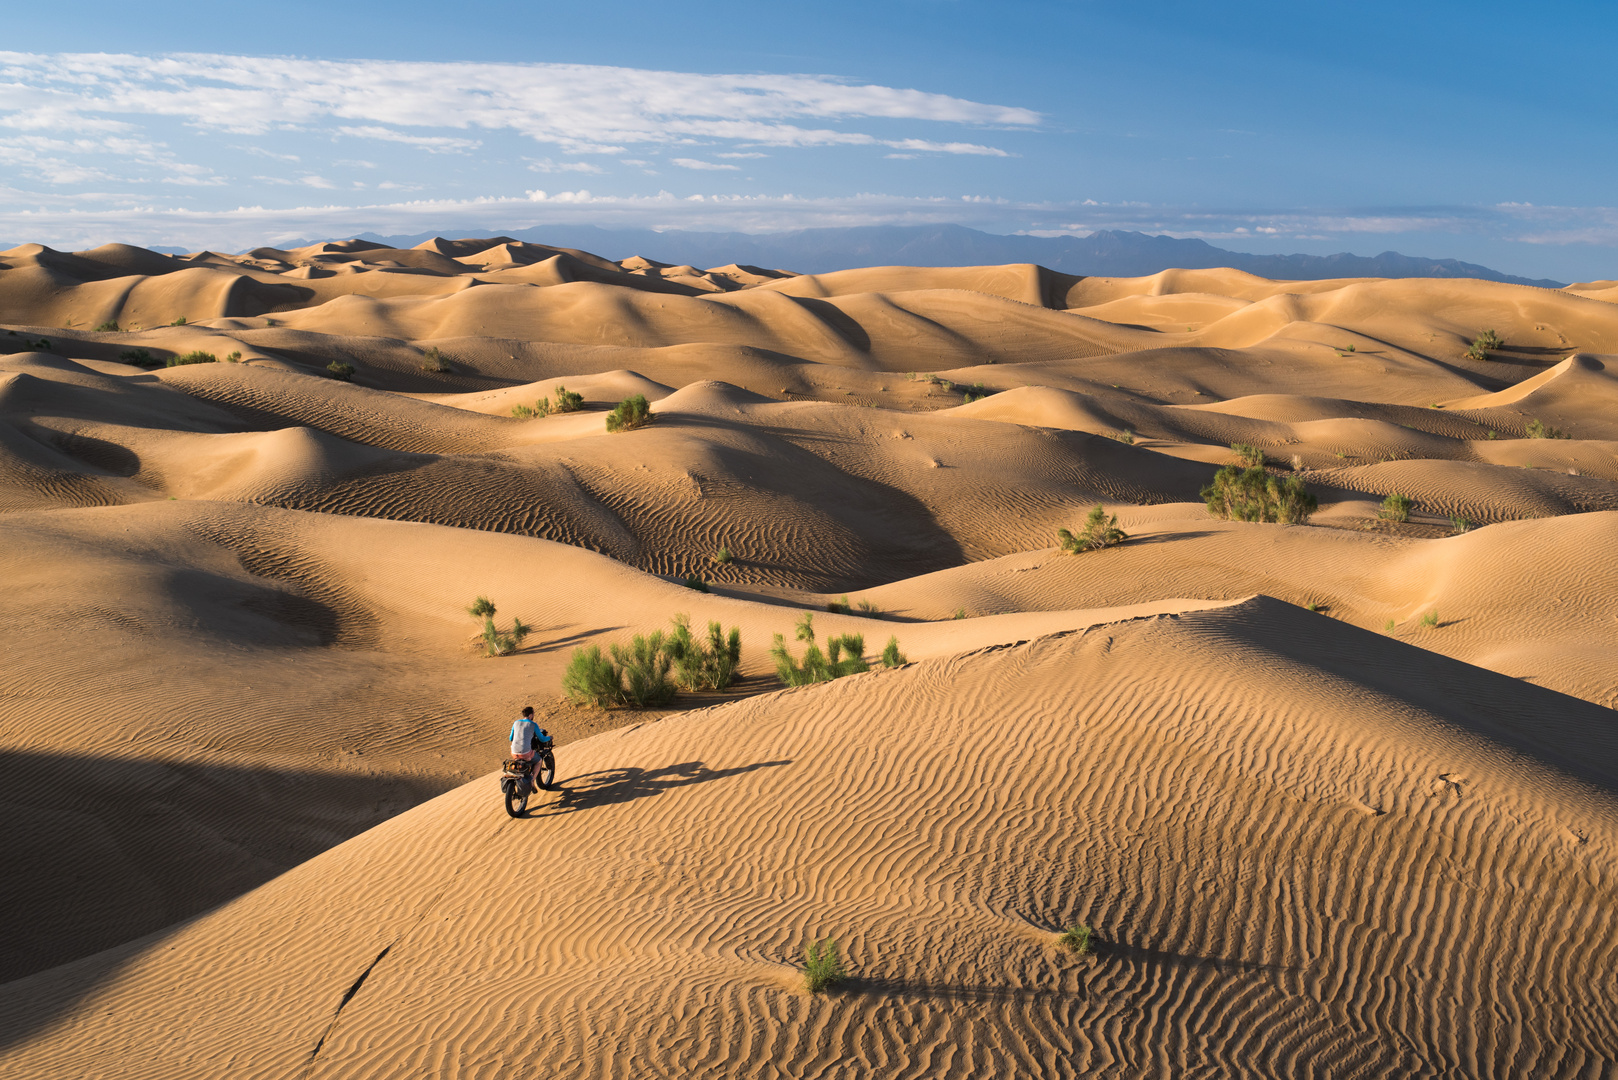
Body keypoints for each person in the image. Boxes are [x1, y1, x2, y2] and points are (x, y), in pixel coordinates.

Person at [508, 706, 552, 786]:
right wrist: (549, 737)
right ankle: (532, 780)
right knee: (538, 760)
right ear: (531, 715)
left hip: (514, 752)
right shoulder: (533, 724)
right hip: (525, 753)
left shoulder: (516, 722)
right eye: (533, 713)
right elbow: (542, 739)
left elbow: (510, 738)